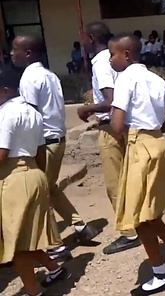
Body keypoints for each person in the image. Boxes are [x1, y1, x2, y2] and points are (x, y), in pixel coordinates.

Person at [109, 34, 165, 294]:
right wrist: (154, 130)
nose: (110, 59)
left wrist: (135, 133)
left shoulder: (124, 79)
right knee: (149, 207)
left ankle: (160, 273)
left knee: (139, 215)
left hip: (139, 146)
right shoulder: (157, 79)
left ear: (127, 54)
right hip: (157, 142)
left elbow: (117, 125)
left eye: (113, 54)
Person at [12, 35, 99, 261]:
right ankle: (80, 227)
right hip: (57, 139)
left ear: (28, 52)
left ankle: (55, 245)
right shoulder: (49, 74)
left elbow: (28, 116)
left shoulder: (29, 78)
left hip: (44, 143)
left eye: (15, 49)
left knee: (40, 194)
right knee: (50, 188)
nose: (12, 54)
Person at [0, 66, 71, 296]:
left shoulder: (5, 113)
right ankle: (55, 269)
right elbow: (40, 151)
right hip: (34, 172)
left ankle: (33, 292)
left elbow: (2, 153)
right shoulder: (33, 113)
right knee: (26, 237)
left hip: (14, 177)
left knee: (18, 245)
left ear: (4, 90)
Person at [76, 22, 141, 255]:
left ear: (91, 38)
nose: (81, 41)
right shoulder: (112, 59)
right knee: (128, 177)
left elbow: (110, 99)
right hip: (124, 123)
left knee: (115, 182)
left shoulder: (101, 62)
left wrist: (87, 109)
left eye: (83, 37)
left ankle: (130, 232)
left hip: (110, 126)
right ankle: (138, 223)